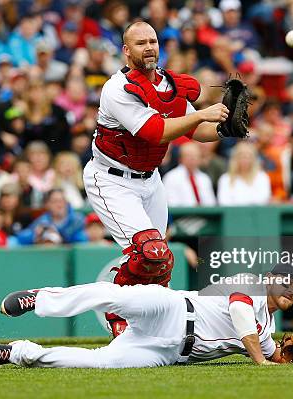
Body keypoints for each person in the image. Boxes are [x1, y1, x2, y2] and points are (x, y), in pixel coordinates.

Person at [82, 21, 230, 336]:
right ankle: (115, 309)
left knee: (160, 265)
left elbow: (195, 131)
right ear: (126, 50)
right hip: (111, 178)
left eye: (153, 41)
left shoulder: (168, 85)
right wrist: (203, 113)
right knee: (149, 251)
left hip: (150, 178)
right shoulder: (117, 88)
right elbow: (154, 132)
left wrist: (225, 126)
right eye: (140, 43)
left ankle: (152, 326)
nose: (149, 47)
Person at [0, 264, 293, 368]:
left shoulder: (266, 330)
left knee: (101, 363)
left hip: (165, 353)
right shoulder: (248, 286)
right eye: (286, 280)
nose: (291, 288)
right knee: (112, 295)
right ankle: (39, 300)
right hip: (173, 309)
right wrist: (260, 359)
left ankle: (19, 353)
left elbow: (277, 358)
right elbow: (239, 314)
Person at [13, 188, 87, 245]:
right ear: (47, 204)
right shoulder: (43, 221)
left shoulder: (78, 219)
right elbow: (21, 238)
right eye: (55, 201)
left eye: (62, 201)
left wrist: (62, 238)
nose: (59, 205)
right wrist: (35, 235)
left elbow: (83, 239)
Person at [163, 142, 216, 207]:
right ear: (180, 158)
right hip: (180, 215)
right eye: (189, 156)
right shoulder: (171, 177)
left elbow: (211, 203)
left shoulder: (205, 178)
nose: (192, 159)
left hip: (205, 216)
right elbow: (171, 203)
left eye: (195, 156)